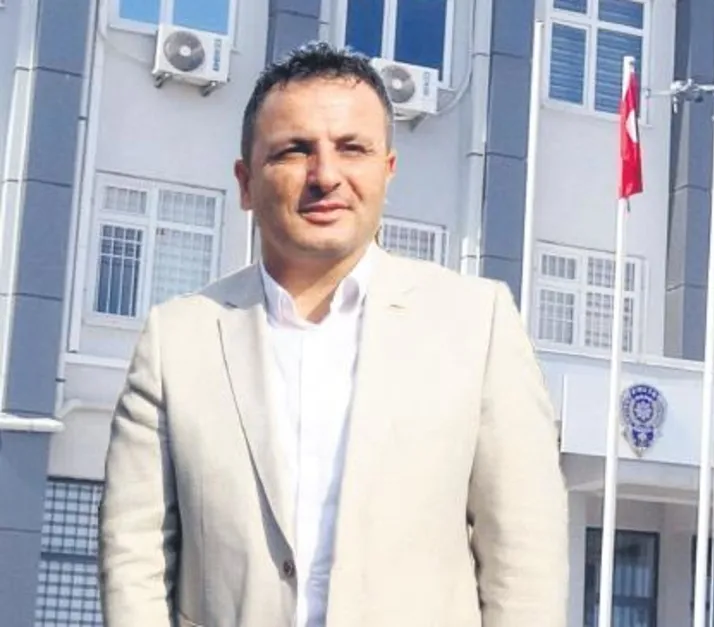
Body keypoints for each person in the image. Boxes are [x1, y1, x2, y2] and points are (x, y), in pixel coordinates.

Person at [98, 42, 568, 627]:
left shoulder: (477, 324)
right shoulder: (178, 339)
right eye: (294, 150)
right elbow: (133, 554)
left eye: (352, 148)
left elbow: (524, 555)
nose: (325, 176)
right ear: (246, 182)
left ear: (387, 171)